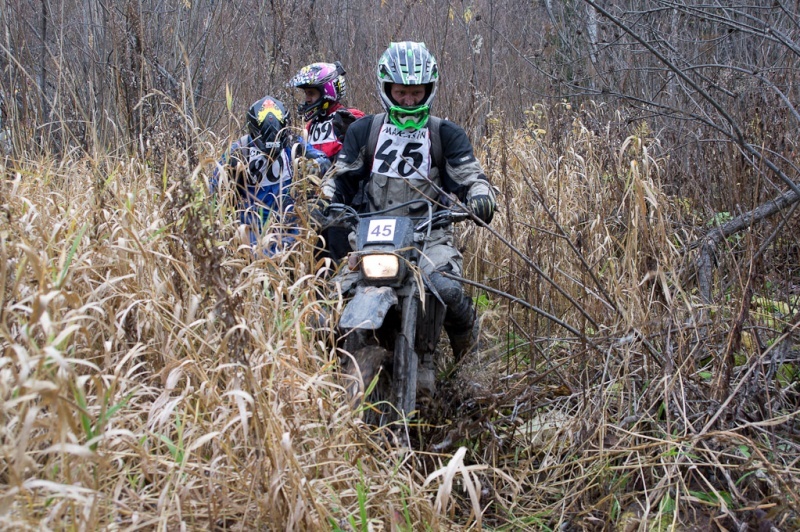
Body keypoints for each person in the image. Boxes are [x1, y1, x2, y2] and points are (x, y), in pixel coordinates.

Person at [319, 41, 497, 380]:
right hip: (371, 236)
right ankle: (330, 373)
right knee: (332, 299)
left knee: (445, 288)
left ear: (428, 89)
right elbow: (339, 177)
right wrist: (322, 200)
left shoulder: (445, 134)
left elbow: (472, 176)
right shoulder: (363, 131)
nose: (408, 100)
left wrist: (480, 196)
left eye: (416, 92)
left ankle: (470, 356)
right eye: (401, 92)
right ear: (387, 88)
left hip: (429, 235)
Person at [212, 95, 330, 256]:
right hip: (251, 228)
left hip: (289, 224)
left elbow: (322, 159)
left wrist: (314, 166)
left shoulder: (292, 142)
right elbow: (216, 188)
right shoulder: (239, 150)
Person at [289, 61, 365, 262]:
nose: (307, 99)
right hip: (315, 204)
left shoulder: (350, 117)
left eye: (311, 94)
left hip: (344, 206)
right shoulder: (311, 125)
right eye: (306, 94)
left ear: (327, 92)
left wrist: (352, 131)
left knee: (338, 259)